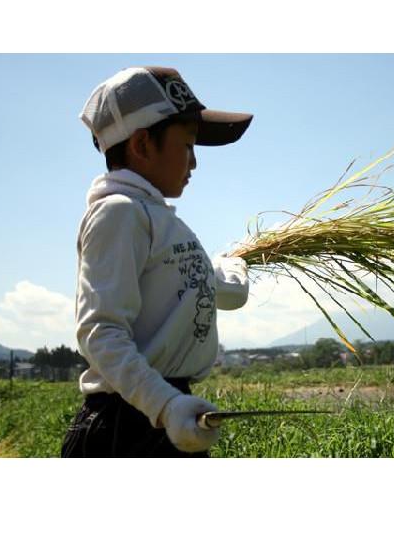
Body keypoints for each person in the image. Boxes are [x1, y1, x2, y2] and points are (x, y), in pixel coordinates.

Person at [61, 66, 253, 457]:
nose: (194, 163)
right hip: (127, 423)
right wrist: (164, 405)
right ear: (143, 144)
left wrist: (236, 264)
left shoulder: (161, 221)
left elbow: (214, 289)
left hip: (167, 413)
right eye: (188, 145)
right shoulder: (119, 213)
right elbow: (100, 332)